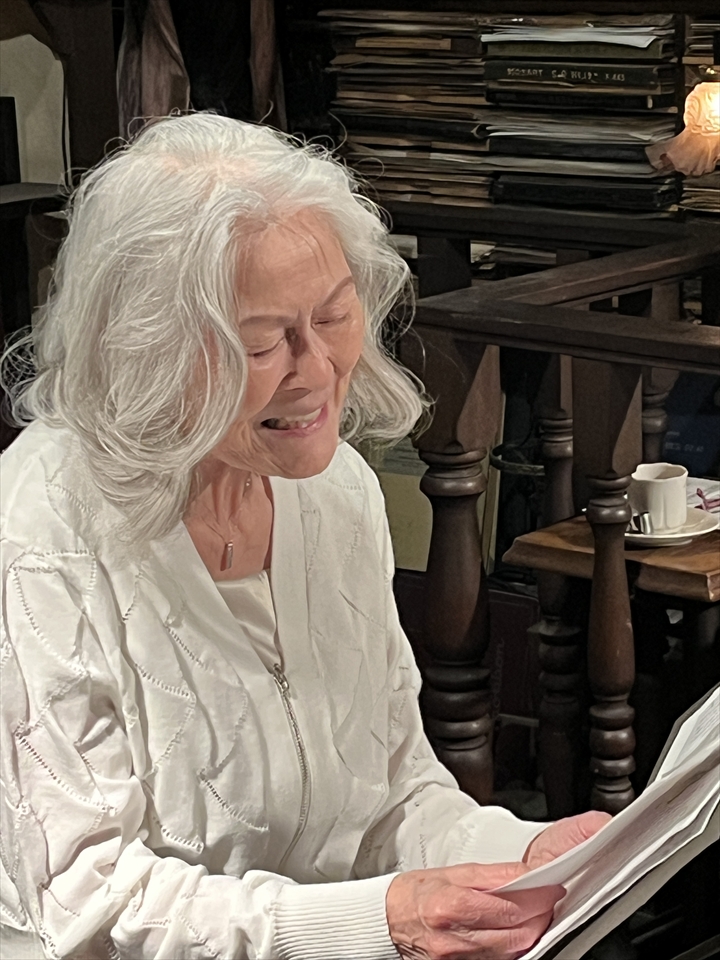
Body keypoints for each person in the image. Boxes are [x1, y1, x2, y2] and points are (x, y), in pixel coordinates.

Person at [0, 113, 609, 960]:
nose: (318, 370)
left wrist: (521, 856)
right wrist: (380, 922)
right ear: (145, 349)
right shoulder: (39, 536)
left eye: (334, 315)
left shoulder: (336, 491)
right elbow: (87, 900)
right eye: (262, 344)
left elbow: (394, 799)